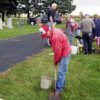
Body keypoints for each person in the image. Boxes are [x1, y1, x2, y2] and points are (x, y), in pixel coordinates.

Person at [39, 24, 71, 97]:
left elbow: (57, 52)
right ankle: (62, 84)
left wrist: (55, 61)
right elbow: (56, 48)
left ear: (48, 31)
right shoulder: (53, 31)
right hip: (62, 49)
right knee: (62, 71)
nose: (46, 37)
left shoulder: (55, 37)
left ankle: (59, 90)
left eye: (45, 35)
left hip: (65, 52)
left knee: (61, 71)